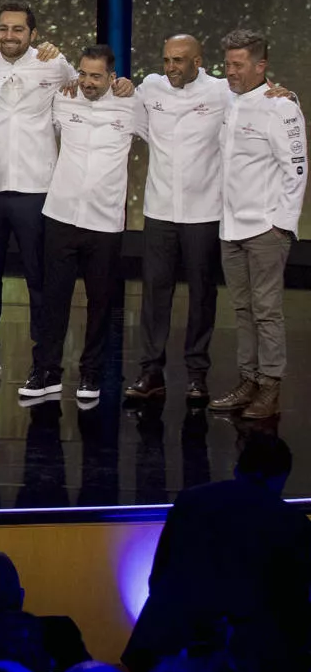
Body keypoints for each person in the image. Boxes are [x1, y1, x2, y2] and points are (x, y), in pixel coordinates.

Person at [123, 433, 311, 672]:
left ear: (237, 469)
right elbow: (294, 603)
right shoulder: (293, 523)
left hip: (161, 646)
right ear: (282, 477)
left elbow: (158, 575)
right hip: (246, 665)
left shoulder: (191, 500)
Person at [0, 3, 74, 384]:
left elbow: (90, 86)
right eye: (3, 28)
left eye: (18, 30)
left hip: (37, 189)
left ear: (33, 34)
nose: (10, 36)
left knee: (41, 279)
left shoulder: (54, 64)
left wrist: (120, 84)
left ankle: (45, 361)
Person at [27, 45, 143, 402]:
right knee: (53, 298)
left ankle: (91, 373)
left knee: (101, 301)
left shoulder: (133, 105)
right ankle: (45, 371)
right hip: (61, 214)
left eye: (96, 76)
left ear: (112, 77)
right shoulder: (63, 100)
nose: (88, 82)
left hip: (105, 221)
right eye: (83, 74)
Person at [210, 28, 305, 421]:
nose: (230, 72)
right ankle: (248, 379)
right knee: (243, 310)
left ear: (260, 65)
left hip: (265, 229)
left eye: (238, 65)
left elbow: (296, 168)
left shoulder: (280, 107)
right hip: (230, 227)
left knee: (267, 311)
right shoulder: (229, 100)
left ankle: (270, 387)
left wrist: (282, 226)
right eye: (228, 64)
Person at [130, 34, 229, 404]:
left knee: (202, 294)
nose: (171, 67)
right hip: (159, 211)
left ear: (197, 61)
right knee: (155, 293)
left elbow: (257, 101)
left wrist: (284, 94)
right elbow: (129, 114)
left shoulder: (220, 92)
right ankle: (151, 370)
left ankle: (197, 374)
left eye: (179, 61)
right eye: (167, 60)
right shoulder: (151, 88)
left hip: (203, 212)